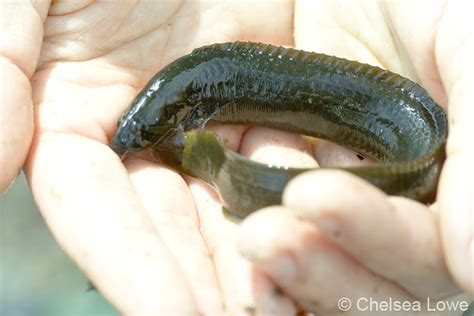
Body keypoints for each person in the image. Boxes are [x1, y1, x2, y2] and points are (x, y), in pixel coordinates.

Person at [1, 0, 472, 314]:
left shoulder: (194, 95)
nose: (133, 141)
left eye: (145, 133)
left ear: (187, 113)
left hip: (406, 127)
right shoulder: (192, 89)